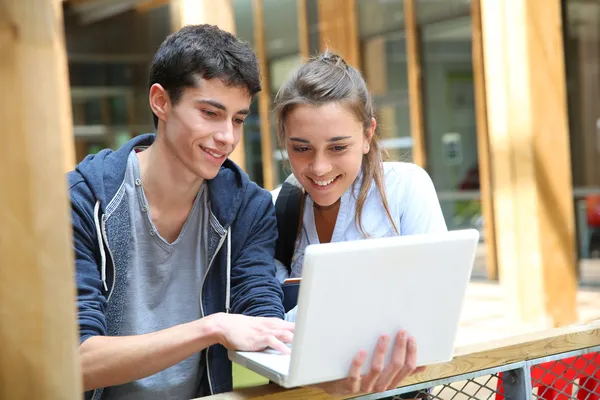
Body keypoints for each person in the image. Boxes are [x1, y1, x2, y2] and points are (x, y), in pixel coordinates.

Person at [70, 25, 294, 400]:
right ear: (160, 101)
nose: (228, 137)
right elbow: (76, 363)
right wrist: (211, 328)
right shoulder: (81, 202)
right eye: (210, 113)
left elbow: (261, 312)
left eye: (238, 119)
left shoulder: (247, 208)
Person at [272, 52, 448, 397]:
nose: (319, 168)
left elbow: (436, 308)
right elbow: (264, 326)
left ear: (368, 134)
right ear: (284, 139)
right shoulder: (276, 206)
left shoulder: (405, 189)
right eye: (301, 148)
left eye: (338, 147)